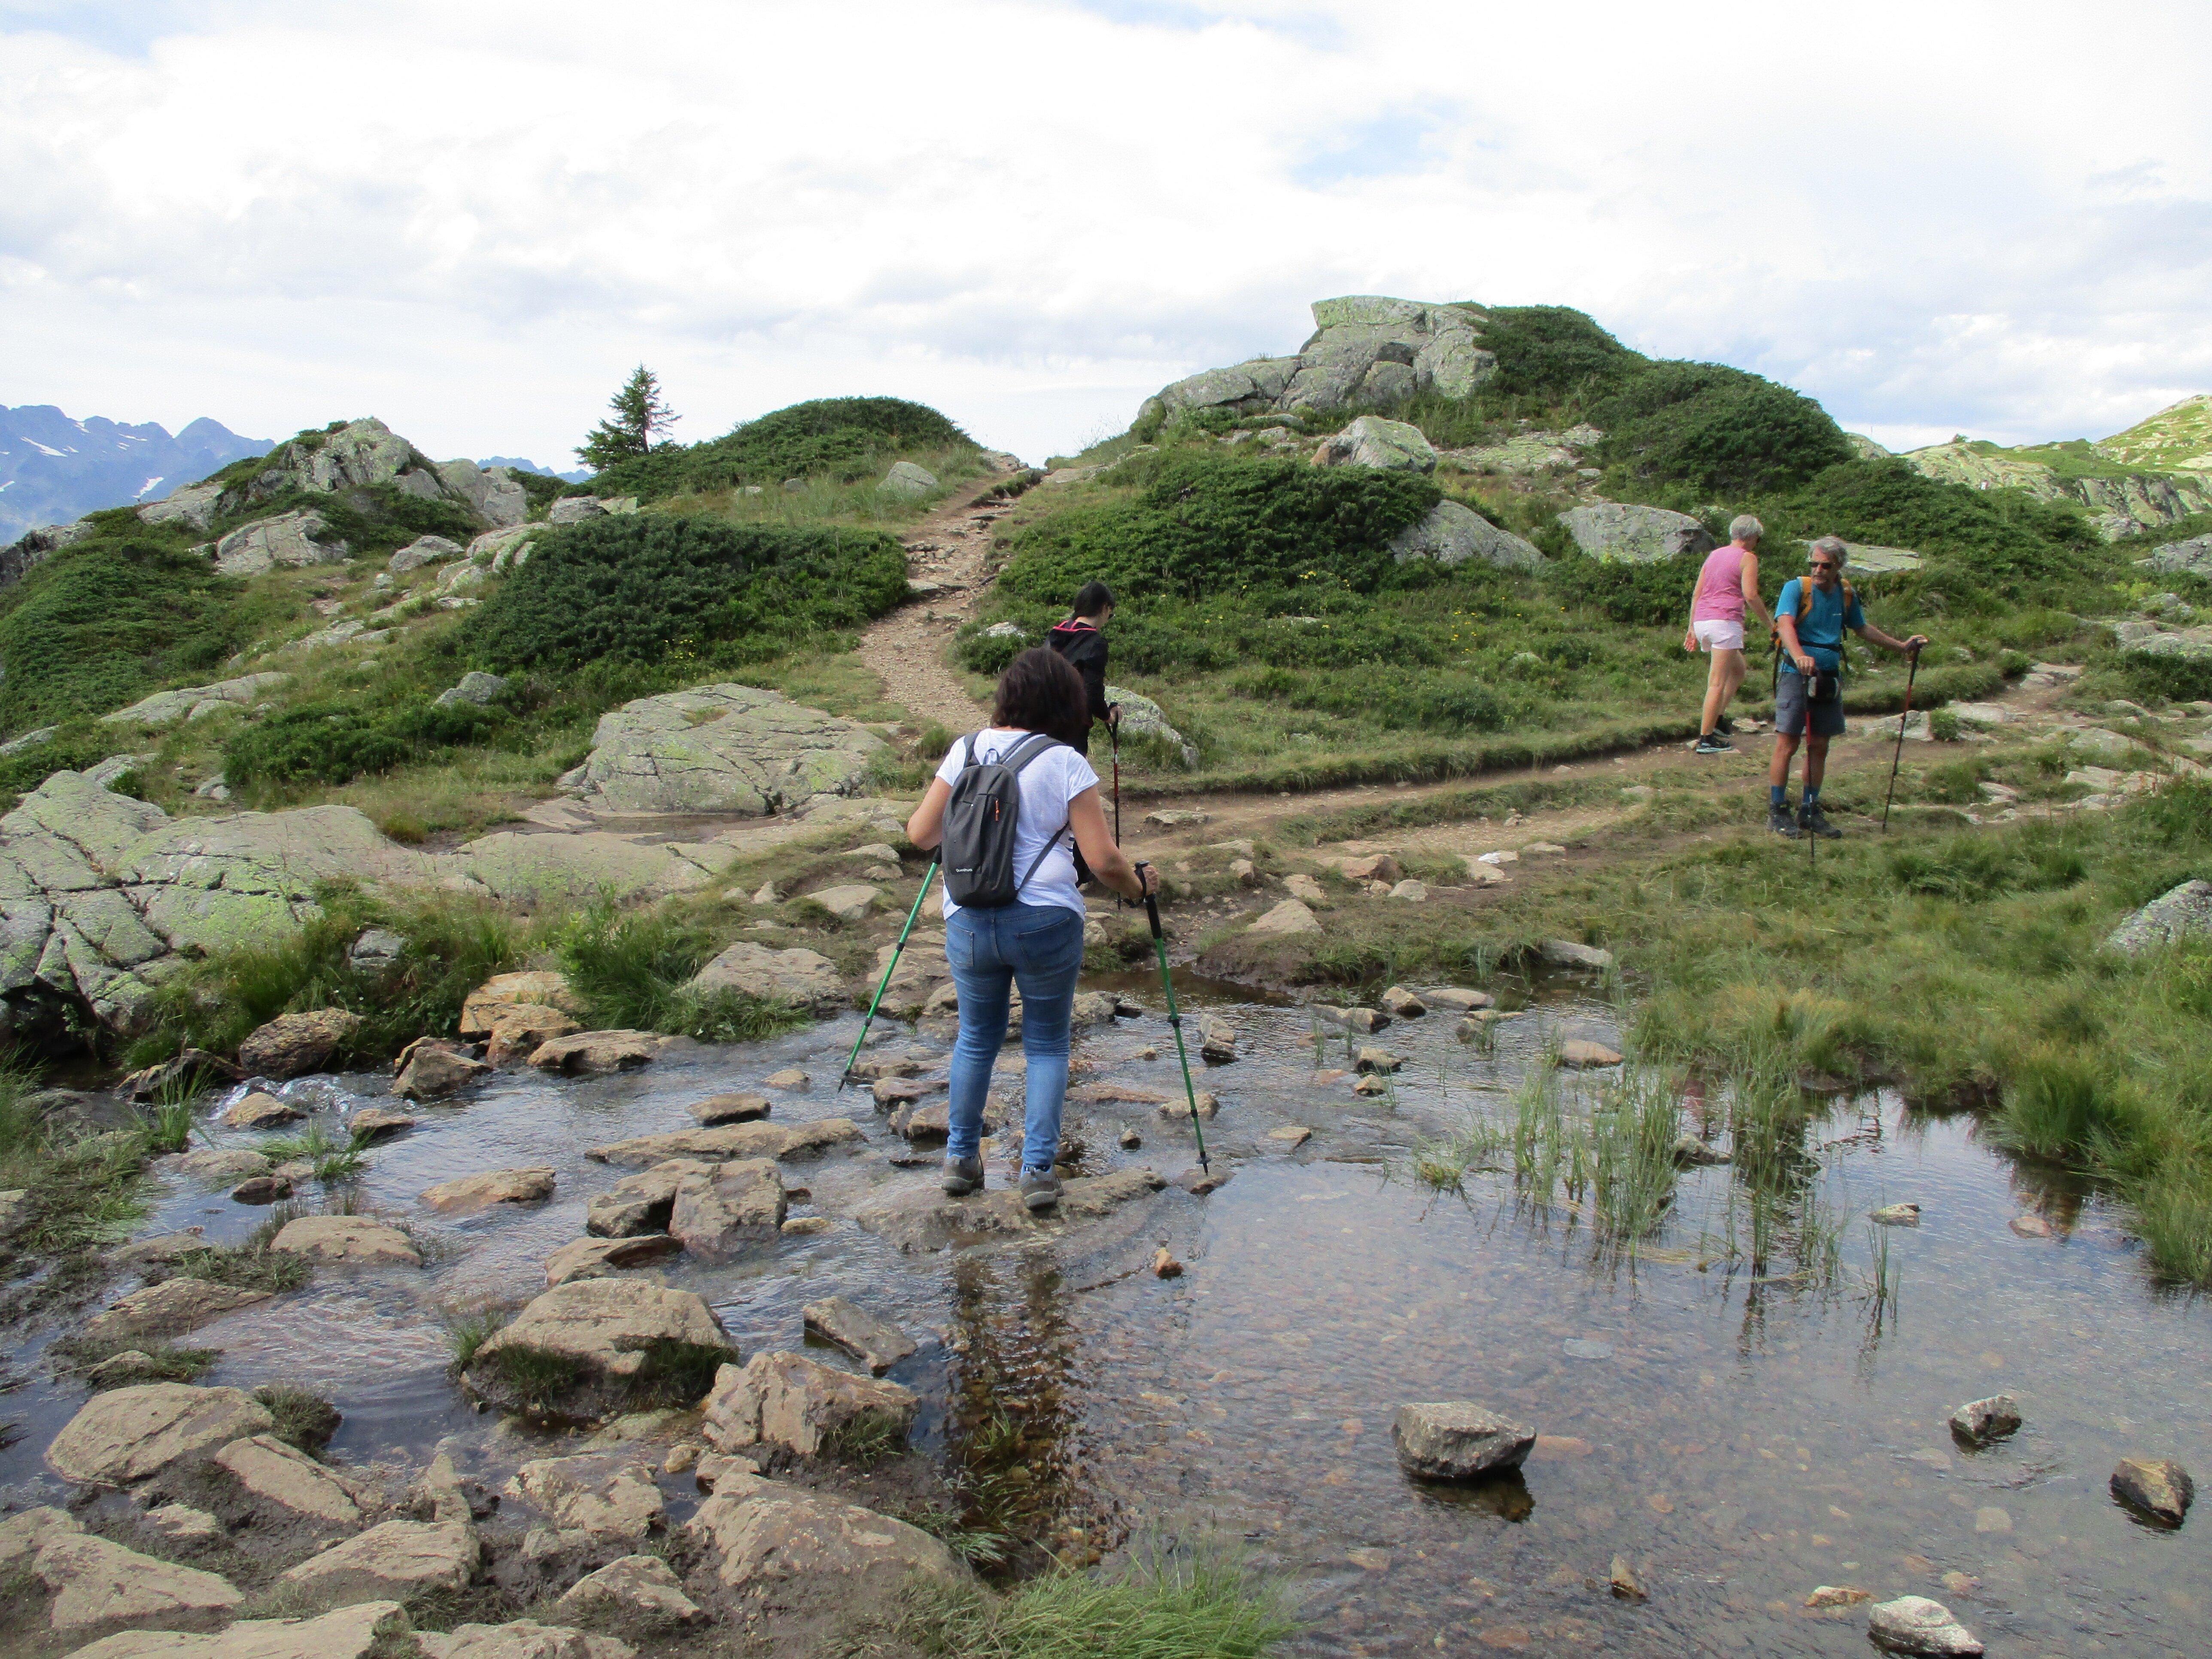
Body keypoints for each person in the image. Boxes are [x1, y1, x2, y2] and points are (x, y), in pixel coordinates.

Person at [905, 647, 1159, 1212]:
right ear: (1064, 700)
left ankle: (960, 1160)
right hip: (1045, 919)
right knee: (1046, 1045)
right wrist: (1140, 890)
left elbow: (920, 833)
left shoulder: (965, 749)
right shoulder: (1065, 761)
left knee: (976, 1038)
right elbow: (1102, 861)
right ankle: (1038, 1171)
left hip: (969, 917)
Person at [1768, 536, 1927, 840]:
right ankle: (1778, 810)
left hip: (1829, 676)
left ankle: (1810, 809)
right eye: (1814, 564)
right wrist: (1799, 655)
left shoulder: (1846, 593)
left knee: (1819, 745)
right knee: (1787, 743)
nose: (1817, 570)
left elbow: (1861, 628)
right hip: (1796, 674)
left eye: (1825, 566)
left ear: (1839, 566)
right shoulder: (1796, 588)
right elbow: (1785, 624)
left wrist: (1900, 647)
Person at [1684, 515, 1772, 755]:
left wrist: (1692, 627)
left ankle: (1718, 720)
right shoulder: (1748, 558)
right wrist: (1771, 625)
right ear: (1752, 536)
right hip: (1725, 621)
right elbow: (1751, 595)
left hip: (1704, 619)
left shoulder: (1714, 555)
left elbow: (1697, 593)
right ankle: (1706, 738)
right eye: (1758, 538)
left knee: (1739, 670)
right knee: (1717, 683)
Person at [1046, 582, 1119, 756]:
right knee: (1070, 777)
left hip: (1042, 719)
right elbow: (1092, 691)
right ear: (1104, 608)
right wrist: (1108, 716)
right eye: (1110, 614)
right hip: (1072, 725)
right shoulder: (1095, 643)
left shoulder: (1055, 635)